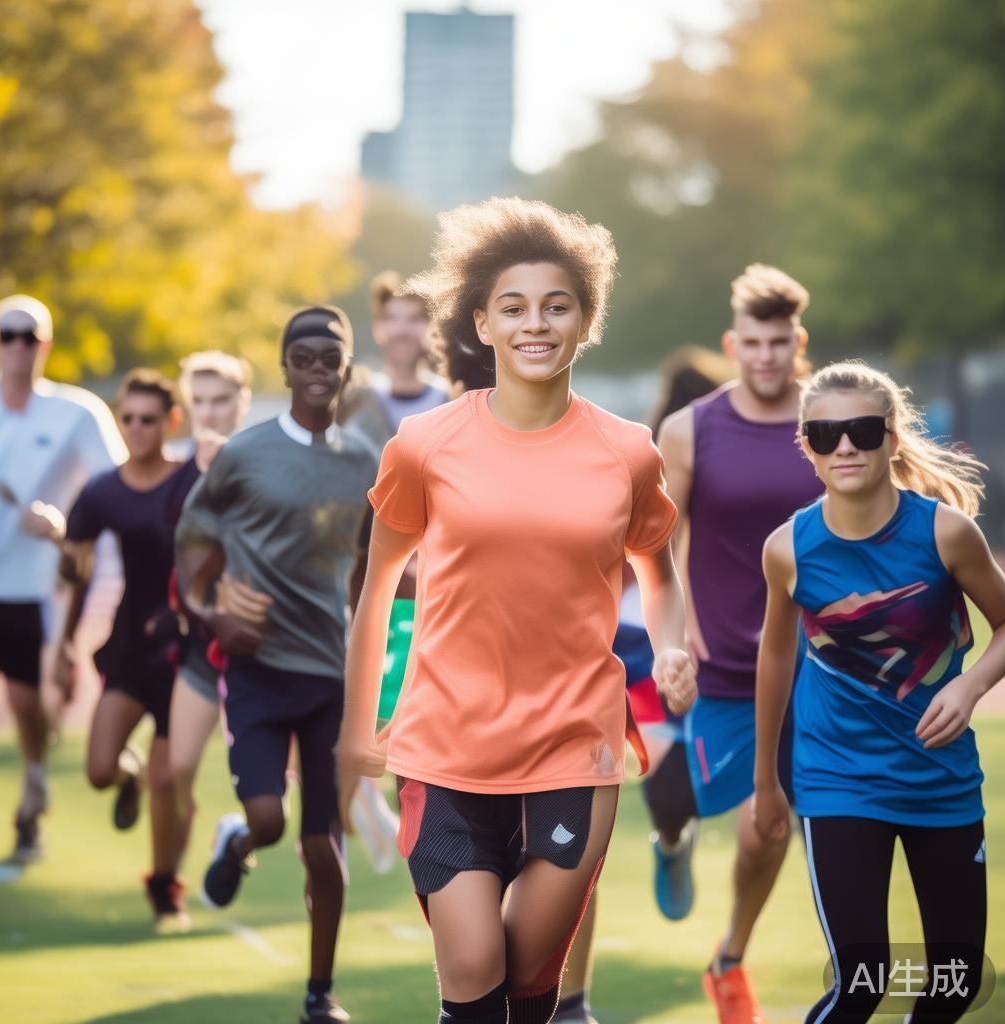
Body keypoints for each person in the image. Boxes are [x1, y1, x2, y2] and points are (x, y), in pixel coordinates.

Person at [336, 197, 697, 1024]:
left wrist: (672, 648)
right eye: (514, 308)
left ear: (585, 320)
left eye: (557, 306)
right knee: (471, 966)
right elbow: (378, 582)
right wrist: (361, 725)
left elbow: (660, 573)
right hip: (444, 747)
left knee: (531, 990)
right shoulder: (423, 446)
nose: (537, 324)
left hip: (578, 748)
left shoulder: (626, 452)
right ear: (482, 324)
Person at [754, 361, 1005, 1023]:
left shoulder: (946, 533)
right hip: (837, 780)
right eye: (826, 433)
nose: (845, 447)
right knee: (861, 986)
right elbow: (776, 654)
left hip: (941, 782)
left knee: (951, 989)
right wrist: (766, 782)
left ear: (892, 439)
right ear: (807, 444)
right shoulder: (789, 549)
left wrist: (972, 686)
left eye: (863, 430)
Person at [175, 305, 377, 1024]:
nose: (319, 369)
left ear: (347, 370)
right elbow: (194, 542)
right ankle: (239, 836)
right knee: (267, 817)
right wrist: (211, 612)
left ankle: (320, 995)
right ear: (286, 366)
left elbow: (379, 567)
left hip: (331, 675)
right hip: (257, 668)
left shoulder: (365, 464)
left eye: (332, 358)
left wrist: (377, 650)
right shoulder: (244, 453)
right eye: (305, 357)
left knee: (323, 846)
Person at [650, 265, 823, 1024]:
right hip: (723, 670)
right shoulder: (689, 431)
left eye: (778, 342)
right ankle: (671, 841)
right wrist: (670, 643)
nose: (764, 357)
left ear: (798, 343)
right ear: (731, 343)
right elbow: (653, 551)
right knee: (695, 807)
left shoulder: (831, 423)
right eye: (751, 343)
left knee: (776, 825)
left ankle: (731, 957)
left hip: (824, 669)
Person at [554, 345, 734, 1024]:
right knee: (662, 776)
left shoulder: (734, 480)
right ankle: (670, 841)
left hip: (718, 643)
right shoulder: (642, 464)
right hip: (637, 645)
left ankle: (674, 836)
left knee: (700, 770)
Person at [0, 294, 125, 862]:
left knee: (25, 703)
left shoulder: (76, 413)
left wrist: (62, 528)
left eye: (30, 336)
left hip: (27, 588)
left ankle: (34, 784)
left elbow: (117, 491)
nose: (19, 345)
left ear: (45, 345)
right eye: (8, 334)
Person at [57, 369, 199, 931]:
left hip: (185, 649)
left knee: (172, 777)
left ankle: (165, 887)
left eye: (148, 419)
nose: (137, 429)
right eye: (128, 419)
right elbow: (78, 570)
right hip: (127, 647)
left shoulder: (191, 480)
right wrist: (64, 645)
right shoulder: (102, 491)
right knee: (98, 769)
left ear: (171, 422)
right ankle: (128, 777)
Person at [166, 351, 251, 850]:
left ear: (242, 402)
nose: (210, 412)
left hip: (259, 647)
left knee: (272, 782)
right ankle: (188, 846)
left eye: (221, 400)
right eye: (199, 401)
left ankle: (238, 836)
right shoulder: (172, 472)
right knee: (178, 768)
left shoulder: (264, 465)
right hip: (199, 646)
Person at [341, 271, 449, 450]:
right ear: (377, 328)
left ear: (432, 328)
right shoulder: (355, 402)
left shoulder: (451, 400)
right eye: (392, 318)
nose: (402, 329)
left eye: (414, 319)